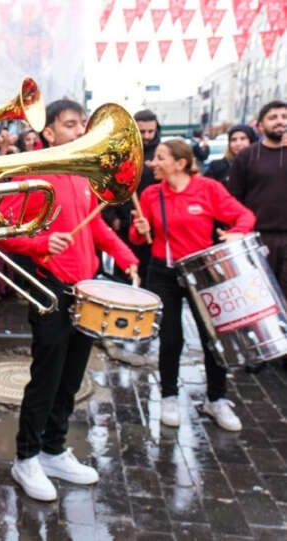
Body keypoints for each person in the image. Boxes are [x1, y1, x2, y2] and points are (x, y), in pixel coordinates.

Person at [0, 99, 138, 502]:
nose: (79, 132)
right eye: (70, 125)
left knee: (73, 377)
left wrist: (127, 258)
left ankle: (54, 450)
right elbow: (0, 231)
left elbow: (97, 230)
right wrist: (40, 243)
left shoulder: (81, 174)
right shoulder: (33, 173)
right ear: (49, 133)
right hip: (51, 289)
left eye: (81, 125)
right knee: (47, 378)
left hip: (86, 289)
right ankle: (26, 459)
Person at [130, 139, 255, 431]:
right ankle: (169, 396)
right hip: (163, 272)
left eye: (160, 158)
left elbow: (244, 216)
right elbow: (140, 240)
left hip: (202, 272)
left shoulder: (208, 189)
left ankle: (217, 399)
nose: (153, 163)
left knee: (213, 337)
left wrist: (237, 234)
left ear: (180, 163)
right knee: (171, 338)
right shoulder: (150, 194)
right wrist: (139, 231)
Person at [229, 101, 287, 297]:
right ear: (260, 126)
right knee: (264, 298)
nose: (280, 122)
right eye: (273, 117)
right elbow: (234, 199)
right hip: (259, 238)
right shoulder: (247, 156)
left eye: (284, 117)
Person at [102, 109, 162, 286]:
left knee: (150, 274)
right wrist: (112, 217)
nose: (147, 136)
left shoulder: (161, 153)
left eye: (151, 131)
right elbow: (108, 186)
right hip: (125, 221)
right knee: (125, 272)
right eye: (142, 132)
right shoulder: (120, 152)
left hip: (153, 224)